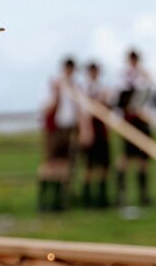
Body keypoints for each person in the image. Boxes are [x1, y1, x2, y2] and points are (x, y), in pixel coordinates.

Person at [39, 58, 79, 212]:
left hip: (68, 129)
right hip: (55, 129)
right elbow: (46, 108)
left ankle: (58, 200)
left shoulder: (75, 86)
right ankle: (44, 200)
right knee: (50, 163)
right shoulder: (52, 84)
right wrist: (57, 93)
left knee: (64, 164)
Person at [116, 49, 154, 207]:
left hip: (142, 121)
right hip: (129, 121)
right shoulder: (122, 76)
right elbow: (119, 97)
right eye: (131, 60)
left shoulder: (144, 75)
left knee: (143, 159)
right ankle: (121, 194)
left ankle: (143, 194)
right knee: (125, 157)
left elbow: (150, 90)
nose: (133, 62)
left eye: (135, 59)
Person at [78, 62, 111, 208]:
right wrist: (85, 130)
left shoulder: (103, 87)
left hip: (101, 129)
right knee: (89, 166)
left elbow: (108, 109)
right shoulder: (83, 88)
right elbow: (83, 111)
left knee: (104, 165)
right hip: (90, 128)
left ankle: (102, 198)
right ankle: (87, 200)